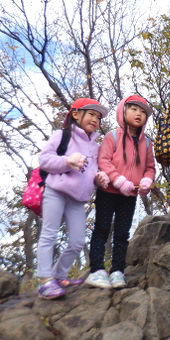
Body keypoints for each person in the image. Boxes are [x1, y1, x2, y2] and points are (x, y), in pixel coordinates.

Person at [37, 98, 109, 299]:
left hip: (78, 199)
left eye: (98, 117)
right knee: (49, 234)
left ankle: (59, 276)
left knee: (77, 241)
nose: (95, 119)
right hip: (56, 191)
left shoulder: (95, 146)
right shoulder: (63, 136)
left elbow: (91, 172)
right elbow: (44, 160)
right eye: (91, 114)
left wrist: (98, 178)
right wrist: (67, 161)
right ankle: (45, 280)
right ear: (76, 114)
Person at [86, 95, 155, 289]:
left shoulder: (147, 143)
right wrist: (119, 180)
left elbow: (150, 167)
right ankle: (96, 270)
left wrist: (147, 181)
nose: (139, 114)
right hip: (108, 191)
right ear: (122, 112)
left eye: (143, 112)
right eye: (134, 109)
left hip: (130, 196)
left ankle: (117, 271)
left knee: (122, 233)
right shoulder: (112, 136)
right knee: (101, 229)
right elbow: (104, 161)